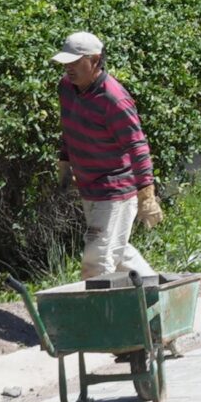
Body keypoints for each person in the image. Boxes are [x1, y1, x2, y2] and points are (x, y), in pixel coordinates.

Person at [54, 30, 160, 283]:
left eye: (76, 62)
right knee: (119, 252)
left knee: (97, 263)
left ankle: (100, 321)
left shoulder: (113, 99)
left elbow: (137, 146)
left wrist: (147, 195)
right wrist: (65, 161)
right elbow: (68, 125)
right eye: (66, 62)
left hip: (115, 192)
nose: (69, 68)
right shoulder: (66, 87)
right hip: (90, 188)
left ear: (95, 60)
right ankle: (159, 297)